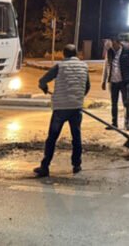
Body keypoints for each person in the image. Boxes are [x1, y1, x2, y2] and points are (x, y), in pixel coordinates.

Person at [34, 44, 91, 178]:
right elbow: (87, 87)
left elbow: (42, 80)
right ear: (76, 54)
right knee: (76, 136)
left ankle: (45, 166)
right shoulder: (84, 66)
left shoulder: (60, 66)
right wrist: (78, 98)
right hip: (76, 108)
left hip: (60, 108)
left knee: (52, 138)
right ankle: (76, 165)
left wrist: (44, 88)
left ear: (64, 54)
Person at [102, 37, 129, 131]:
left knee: (126, 103)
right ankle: (114, 123)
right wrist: (104, 80)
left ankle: (126, 124)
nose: (108, 45)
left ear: (116, 42)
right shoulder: (109, 51)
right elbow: (106, 66)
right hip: (113, 82)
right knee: (114, 103)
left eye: (110, 42)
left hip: (125, 81)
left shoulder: (127, 50)